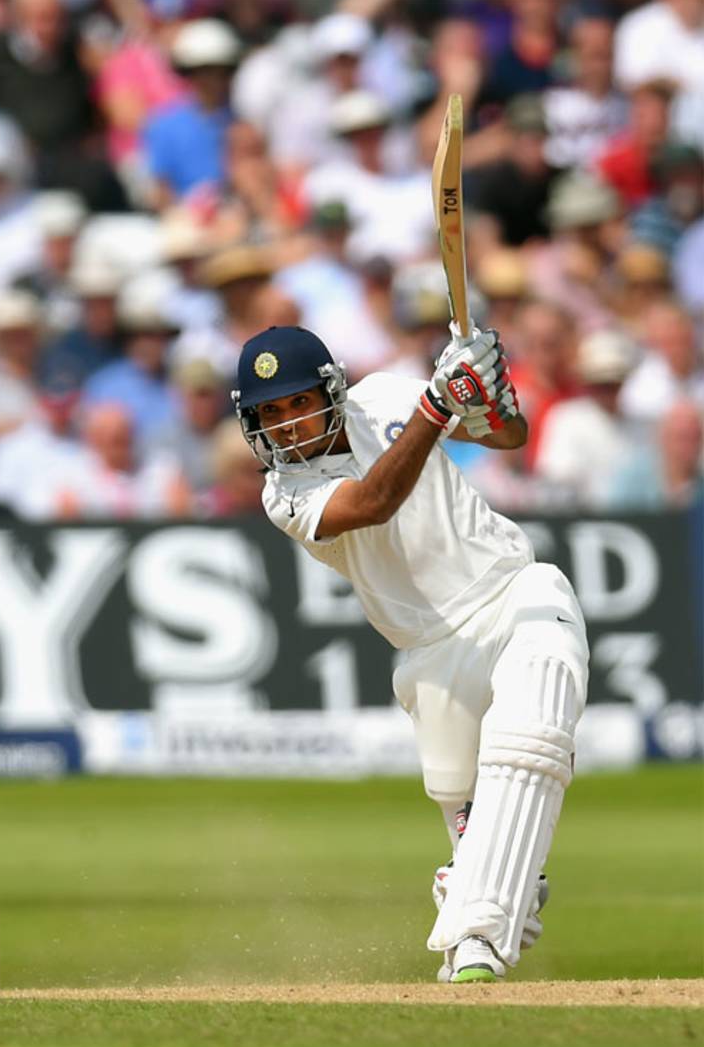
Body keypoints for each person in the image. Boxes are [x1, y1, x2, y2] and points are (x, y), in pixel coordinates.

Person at [233, 325, 589, 983]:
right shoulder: (284, 494)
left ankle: (477, 940)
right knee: (473, 815)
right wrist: (439, 402)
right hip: (429, 653)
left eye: (297, 402)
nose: (285, 424)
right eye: (270, 412)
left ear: (331, 390)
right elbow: (374, 502)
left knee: (534, 726)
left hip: (512, 591)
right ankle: (483, 873)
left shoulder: (391, 397)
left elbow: (508, 436)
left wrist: (487, 394)